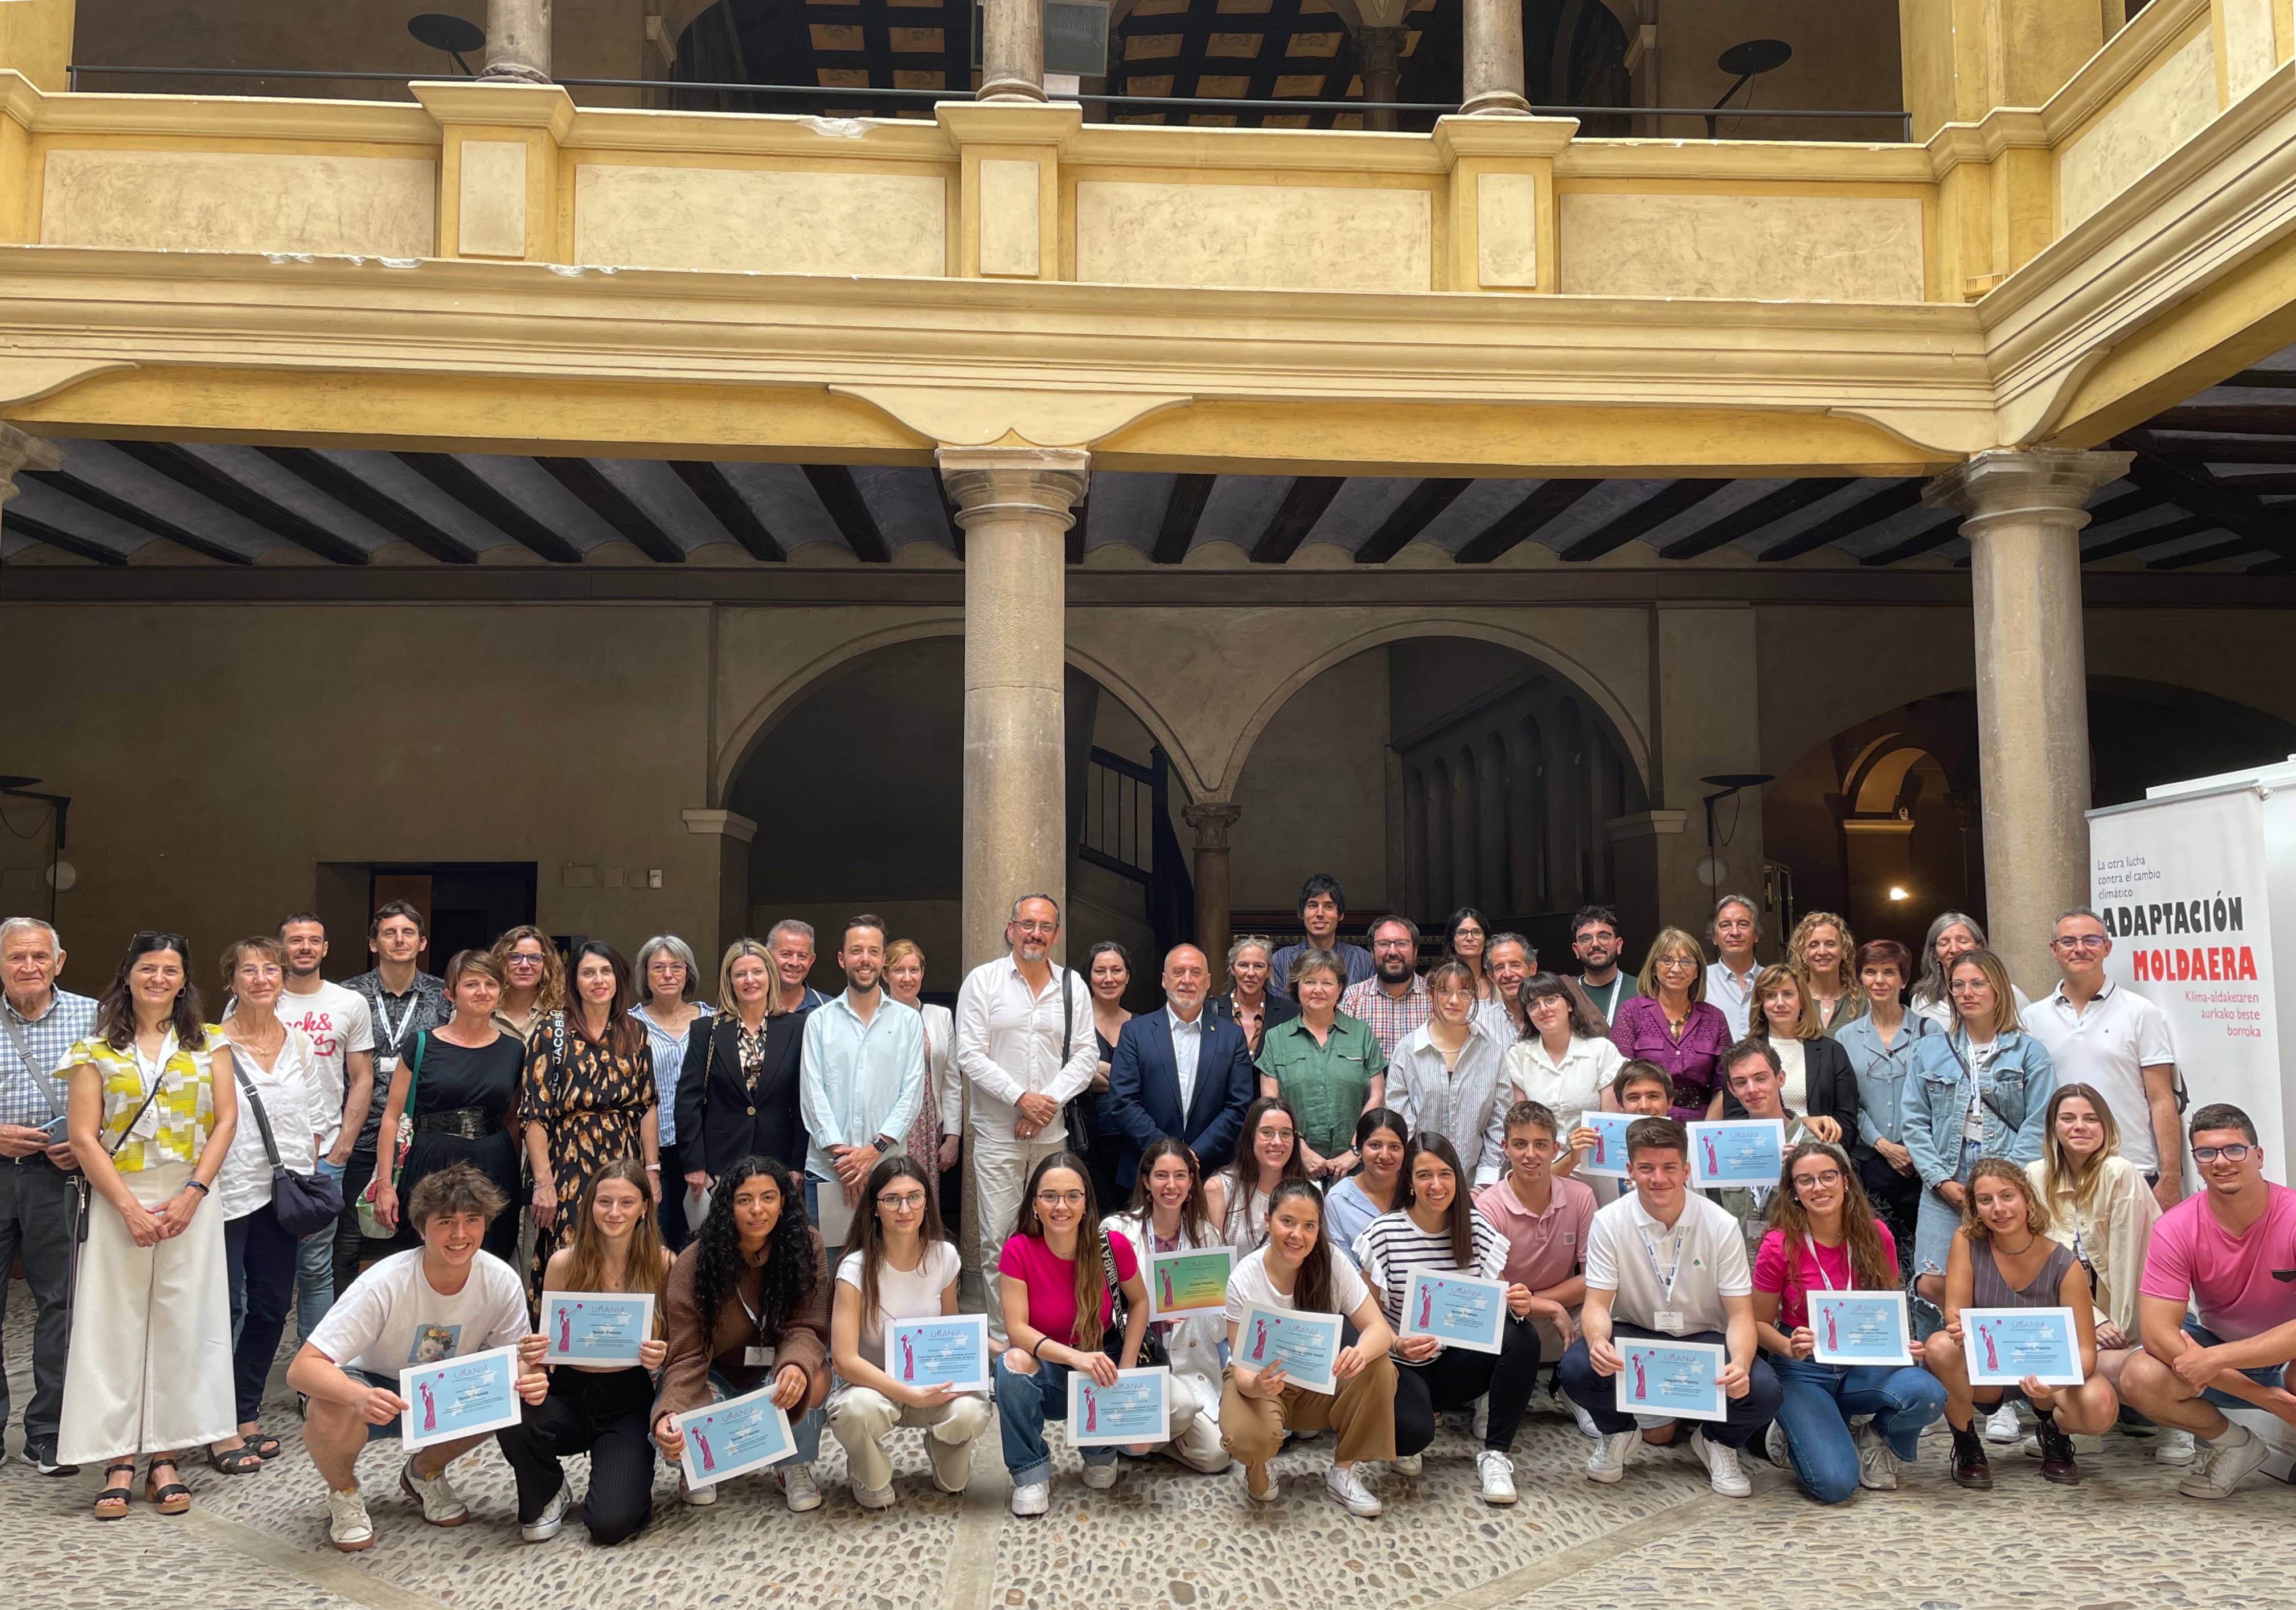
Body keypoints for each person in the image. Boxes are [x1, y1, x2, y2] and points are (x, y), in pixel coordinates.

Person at [58, 931, 240, 1517]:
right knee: (112, 1321)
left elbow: (226, 1120)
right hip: (120, 1195)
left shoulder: (210, 1042)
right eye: (148, 967)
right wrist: (128, 1207)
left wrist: (193, 1192)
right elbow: (84, 1135)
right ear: (128, 974)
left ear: (184, 979)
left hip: (191, 1194)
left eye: (170, 969)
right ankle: (115, 1456)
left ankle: (165, 1454)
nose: (159, 978)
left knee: (182, 1321)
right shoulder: (95, 1050)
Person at [289, 1162, 544, 1550]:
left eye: (472, 1220)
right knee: (328, 1408)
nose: (460, 1235)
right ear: (422, 1227)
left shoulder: (501, 1280)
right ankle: (344, 1493)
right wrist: (357, 1395)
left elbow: (518, 1358)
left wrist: (531, 1374)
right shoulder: (384, 1282)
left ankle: (424, 1472)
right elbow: (302, 1368)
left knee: (506, 1391)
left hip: (437, 1391)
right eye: (445, 1222)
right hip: (371, 1385)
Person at [1557, 1116, 1784, 1497]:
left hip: (1704, 1338)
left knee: (1764, 1390)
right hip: (1638, 1334)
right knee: (1577, 1366)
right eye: (1646, 1168)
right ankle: (1618, 1433)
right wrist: (1597, 1340)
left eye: (1668, 1168)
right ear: (1630, 1170)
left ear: (1687, 1170)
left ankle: (1717, 1442)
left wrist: (1741, 1364)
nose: (1658, 1178)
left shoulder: (1720, 1224)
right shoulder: (1609, 1221)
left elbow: (1742, 1316)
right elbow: (1597, 1304)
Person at [1750, 1140, 1944, 1501]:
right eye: (1805, 1181)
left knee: (1928, 1394)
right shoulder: (1778, 1244)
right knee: (1835, 1485)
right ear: (1793, 1192)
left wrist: (1900, 1343)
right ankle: (1798, 1426)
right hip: (1804, 1365)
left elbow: (1885, 1308)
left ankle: (1872, 1437)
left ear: (1846, 1182)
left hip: (1862, 1361)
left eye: (1827, 1177)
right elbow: (1757, 1324)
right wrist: (1787, 1347)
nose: (1818, 1187)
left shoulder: (1876, 1235)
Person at [2121, 1103, 2296, 1501]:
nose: (2221, 1162)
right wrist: (2262, 1396)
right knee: (2139, 1376)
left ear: (2259, 1155)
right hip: (2216, 1350)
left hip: (2285, 1357)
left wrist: (2217, 1360)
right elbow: (2158, 1334)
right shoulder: (2176, 1227)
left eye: (2235, 1150)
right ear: (2197, 1162)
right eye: (2207, 1153)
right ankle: (2236, 1446)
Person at [1355, 1133, 1540, 1505]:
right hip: (1401, 1364)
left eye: (1445, 1174)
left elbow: (1496, 1303)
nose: (1436, 1185)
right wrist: (1396, 1343)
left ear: (1458, 1177)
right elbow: (1364, 1317)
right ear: (1409, 1180)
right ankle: (1413, 1421)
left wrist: (1517, 1302)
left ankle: (1496, 1456)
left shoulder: (1477, 1230)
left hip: (1456, 1362)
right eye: (1424, 1175)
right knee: (1410, 1437)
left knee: (1523, 1335)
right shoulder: (1384, 1234)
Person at [497, 1158, 672, 1544]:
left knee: (610, 1525)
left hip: (630, 1402)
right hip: (569, 1395)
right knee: (509, 1401)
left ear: (645, 1207)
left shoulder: (663, 1263)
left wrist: (661, 1358)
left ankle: (626, 1479)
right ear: (589, 1205)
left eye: (627, 1202)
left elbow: (679, 1346)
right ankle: (548, 1490)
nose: (614, 1212)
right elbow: (542, 1352)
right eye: (604, 1201)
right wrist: (534, 1369)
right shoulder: (564, 1263)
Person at [1922, 1158, 2119, 1488]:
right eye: (1985, 1200)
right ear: (1975, 1208)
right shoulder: (1966, 1241)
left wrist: (2054, 1383)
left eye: (2007, 1196)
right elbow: (1955, 1311)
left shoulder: (2063, 1261)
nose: (1998, 1209)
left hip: (2043, 1376)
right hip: (1988, 1373)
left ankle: (2055, 1433)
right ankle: (1967, 1443)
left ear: (2027, 1198)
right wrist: (1956, 1326)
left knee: (2099, 1405)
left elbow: (2087, 1350)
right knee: (1939, 1346)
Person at [652, 1154, 832, 1513]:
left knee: (815, 1376)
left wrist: (795, 1365)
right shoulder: (694, 1261)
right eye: (744, 1200)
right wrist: (669, 1414)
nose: (757, 1210)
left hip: (775, 1367)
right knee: (676, 1420)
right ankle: (698, 1466)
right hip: (714, 1371)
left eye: (768, 1197)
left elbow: (807, 1326)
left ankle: (793, 1464)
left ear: (784, 1202)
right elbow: (686, 1353)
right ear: (727, 1207)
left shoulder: (807, 1247)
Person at [954, 894, 1096, 1347]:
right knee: (1000, 1242)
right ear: (1011, 928)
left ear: (1056, 934)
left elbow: (1086, 1054)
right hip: (998, 1137)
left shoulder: (1072, 987)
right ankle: (1008, 1346)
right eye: (1027, 924)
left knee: (1055, 1240)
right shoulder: (983, 982)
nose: (1036, 933)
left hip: (1052, 1137)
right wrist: (1019, 1098)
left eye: (1045, 926)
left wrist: (1045, 1103)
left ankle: (1050, 1340)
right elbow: (969, 1053)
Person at [210, 937, 326, 1474]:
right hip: (224, 1193)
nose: (261, 979)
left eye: (270, 969)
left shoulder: (300, 1043)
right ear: (231, 980)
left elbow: (314, 1118)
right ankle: (212, 1422)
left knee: (270, 1306)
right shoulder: (209, 1044)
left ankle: (243, 1411)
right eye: (249, 970)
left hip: (281, 1197)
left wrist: (308, 1179)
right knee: (220, 1310)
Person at [1220, 1178, 1400, 1515]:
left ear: (1319, 1230)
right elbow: (1240, 1364)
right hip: (1262, 1386)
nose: (1297, 1235)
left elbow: (1380, 1330)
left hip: (1318, 1382)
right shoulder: (1244, 1277)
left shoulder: (1332, 1262)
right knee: (1248, 1437)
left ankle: (1343, 1472)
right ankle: (1256, 1468)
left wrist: (1359, 1352)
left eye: (1309, 1226)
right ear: (1267, 1220)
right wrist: (1256, 1386)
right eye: (1287, 1222)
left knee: (1379, 1366)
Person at [827, 1152, 995, 1506]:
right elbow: (843, 1361)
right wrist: (909, 1394)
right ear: (874, 1207)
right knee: (853, 1413)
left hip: (932, 1384)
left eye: (914, 1197)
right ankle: (867, 1470)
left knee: (971, 1418)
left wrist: (1001, 1348)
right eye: (892, 1199)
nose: (905, 1209)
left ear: (926, 1202)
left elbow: (951, 1327)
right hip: (875, 1390)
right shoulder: (854, 1270)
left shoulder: (945, 1256)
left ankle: (941, 1445)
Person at [1904, 948, 2056, 1336]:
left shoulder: (2029, 1052)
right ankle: (1942, 1375)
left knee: (2002, 1280)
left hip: (2007, 1177)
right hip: (1946, 1176)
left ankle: (2000, 1383)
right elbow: (1915, 1121)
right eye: (1958, 986)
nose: (1967, 993)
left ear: (1998, 989)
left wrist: (2004, 1183)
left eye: (1977, 984)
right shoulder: (1929, 1050)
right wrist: (1939, 1179)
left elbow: (2039, 1122)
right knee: (1932, 1282)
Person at [992, 1152, 1150, 1515]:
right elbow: (1017, 1330)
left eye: (1072, 1196)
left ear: (1086, 1203)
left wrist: (1125, 1369)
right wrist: (1075, 1358)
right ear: (1034, 1204)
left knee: (1127, 1456)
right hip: (1051, 1367)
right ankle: (1030, 1473)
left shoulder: (1112, 1246)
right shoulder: (1018, 1249)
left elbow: (1139, 1303)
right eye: (1050, 1196)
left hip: (1103, 1363)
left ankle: (1099, 1451)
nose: (1061, 1206)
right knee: (1011, 1364)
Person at [0, 915, 95, 1477]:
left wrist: (86, 1144)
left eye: (39, 956)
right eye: (16, 957)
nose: (28, 966)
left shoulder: (94, 1015)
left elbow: (122, 1092)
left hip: (54, 1174)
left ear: (59, 961)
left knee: (60, 1303)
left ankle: (49, 1431)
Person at [2024, 1083, 2168, 1452]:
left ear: (2106, 1127)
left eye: (2091, 1119)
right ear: (2053, 1127)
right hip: (2072, 1312)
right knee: (2062, 1361)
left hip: (2131, 1311)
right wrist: (2091, 1320)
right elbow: (2036, 1264)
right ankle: (2079, 1424)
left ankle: (2174, 1423)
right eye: (2068, 1118)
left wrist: (2116, 1325)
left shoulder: (2121, 1173)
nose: (2079, 1127)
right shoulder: (2035, 1176)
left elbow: (2131, 1261)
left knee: (2128, 1365)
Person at [522, 942, 659, 1298]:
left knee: (624, 1249)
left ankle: (619, 1342)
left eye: (606, 971)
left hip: (623, 1159)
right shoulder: (551, 1033)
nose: (598, 980)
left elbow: (646, 1106)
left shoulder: (634, 1032)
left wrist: (653, 1171)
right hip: (568, 1162)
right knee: (570, 1251)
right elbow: (534, 1115)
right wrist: (543, 1183)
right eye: (588, 973)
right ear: (575, 981)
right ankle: (564, 1346)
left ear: (618, 978)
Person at [368, 950, 523, 1264]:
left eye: (490, 984)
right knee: (425, 1256)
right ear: (451, 994)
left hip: (494, 1162)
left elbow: (514, 1120)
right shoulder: (422, 1044)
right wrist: (384, 1184)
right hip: (430, 1161)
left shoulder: (514, 1049)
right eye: (471, 984)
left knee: (488, 1260)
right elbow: (391, 1118)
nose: (482, 992)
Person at [2026, 907, 2182, 1210]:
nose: (2079, 949)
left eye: (2091, 940)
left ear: (2107, 947)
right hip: (2059, 1173)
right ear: (2054, 950)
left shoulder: (2140, 1012)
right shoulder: (2032, 1018)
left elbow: (2161, 1098)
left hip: (2130, 1169)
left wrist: (2171, 1176)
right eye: (2068, 941)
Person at [271, 913, 375, 1338]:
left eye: (314, 940)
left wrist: (343, 1148)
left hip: (323, 1156)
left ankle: (312, 1371)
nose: (305, 948)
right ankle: (244, 1373)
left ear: (325, 948)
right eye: (296, 941)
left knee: (316, 1267)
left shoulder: (348, 1003)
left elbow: (362, 1078)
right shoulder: (259, 998)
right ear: (282, 948)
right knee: (261, 1267)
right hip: (264, 1157)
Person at [341, 903, 449, 1303]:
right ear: (374, 943)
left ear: (422, 942)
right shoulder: (349, 996)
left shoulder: (444, 996)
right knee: (349, 1245)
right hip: (358, 1135)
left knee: (415, 1240)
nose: (399, 940)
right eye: (389, 933)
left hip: (417, 1141)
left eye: (408, 933)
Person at [1105, 1139, 1234, 1473]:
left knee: (1216, 1458)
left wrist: (1206, 1304)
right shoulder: (1116, 1230)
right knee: (1182, 1409)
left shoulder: (1206, 1236)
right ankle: (1143, 1440)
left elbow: (1221, 1329)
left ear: (1192, 1184)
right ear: (1146, 1181)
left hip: (1188, 1364)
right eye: (1161, 1175)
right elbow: (1101, 1309)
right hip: (1137, 1358)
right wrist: (1152, 1311)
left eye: (1181, 1176)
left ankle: (1147, 1442)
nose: (1171, 1186)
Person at [798, 916, 924, 1241]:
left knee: (887, 1268)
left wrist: (872, 1151)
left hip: (888, 1171)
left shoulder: (909, 1021)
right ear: (842, 960)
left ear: (882, 961)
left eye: (873, 951)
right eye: (856, 951)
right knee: (828, 1273)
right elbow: (812, 1095)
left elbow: (911, 1096)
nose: (864, 959)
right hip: (829, 1173)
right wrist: (845, 1160)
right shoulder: (818, 1021)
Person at [1475, 1101, 1597, 1432]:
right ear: (1505, 1148)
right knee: (1488, 1315)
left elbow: (1592, 1280)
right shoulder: (1489, 1207)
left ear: (1556, 1149)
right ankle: (1491, 1396)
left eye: (1541, 1145)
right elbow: (1493, 1290)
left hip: (1560, 1306)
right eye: (1520, 1144)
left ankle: (1576, 1388)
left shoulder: (1581, 1196)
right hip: (1508, 1313)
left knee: (1603, 1312)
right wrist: (1541, 1306)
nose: (1531, 1154)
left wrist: (1546, 1303)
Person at [1106, 942, 1256, 1193]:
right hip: (1145, 1172)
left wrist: (1194, 1154)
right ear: (1164, 980)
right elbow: (1123, 1102)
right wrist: (1168, 1154)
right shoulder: (1135, 1032)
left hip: (1210, 1174)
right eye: (1178, 972)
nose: (1187, 980)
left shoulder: (1231, 1036)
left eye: (1195, 973)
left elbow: (1239, 1106)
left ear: (1208, 982)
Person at [679, 939, 814, 1209]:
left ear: (770, 977)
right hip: (719, 1165)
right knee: (722, 1244)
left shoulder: (798, 1027)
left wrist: (798, 1163)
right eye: (740, 974)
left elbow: (804, 1101)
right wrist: (695, 1164)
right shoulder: (707, 1030)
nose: (750, 980)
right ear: (729, 982)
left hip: (778, 1163)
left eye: (757, 972)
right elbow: (687, 1102)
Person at [1835, 939, 1933, 1269]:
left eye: (1889, 972)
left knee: (1926, 1257)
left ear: (1904, 980)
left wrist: (1912, 1149)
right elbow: (1848, 1103)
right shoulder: (1846, 1037)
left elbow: (1938, 1099)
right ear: (1860, 978)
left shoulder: (1929, 1031)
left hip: (1922, 1163)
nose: (1880, 981)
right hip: (1870, 1163)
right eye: (1870, 972)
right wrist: (1883, 1145)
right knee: (1877, 1257)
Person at [1707, 1040, 1843, 1258]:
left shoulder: (1820, 1147)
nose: (1752, 1090)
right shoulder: (1720, 1148)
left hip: (1801, 1268)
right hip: (1741, 1270)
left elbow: (1846, 1220)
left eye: (1761, 1078)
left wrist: (1801, 1175)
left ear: (1780, 1079)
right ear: (1731, 1089)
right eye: (1741, 1083)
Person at [1258, 948, 1386, 1181]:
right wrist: (1302, 1152)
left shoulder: (1362, 1033)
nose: (1318, 990)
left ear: (1340, 989)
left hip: (1358, 1171)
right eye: (1309, 982)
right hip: (1295, 1169)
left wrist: (1355, 1152)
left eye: (1327, 983)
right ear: (1297, 987)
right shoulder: (1276, 1039)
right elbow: (1271, 1106)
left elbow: (1377, 1097)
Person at [1491, 971, 1621, 1183]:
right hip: (1540, 1173)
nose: (1543, 1009)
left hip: (1595, 1170)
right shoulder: (1519, 1056)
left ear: (1569, 1004)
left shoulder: (1602, 1051)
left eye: (1551, 1000)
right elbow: (1521, 1127)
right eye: (1533, 1005)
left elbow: (1610, 1126)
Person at [1387, 959, 1507, 1185]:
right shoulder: (1407, 1049)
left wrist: (1483, 1185)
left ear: (1473, 996)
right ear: (1430, 993)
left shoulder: (1491, 1052)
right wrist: (1416, 1177)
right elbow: (1401, 1123)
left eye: (1463, 992)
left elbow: (1498, 1123)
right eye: (1445, 991)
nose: (1454, 1000)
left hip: (1474, 1184)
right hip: (1418, 1182)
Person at [632, 934, 713, 1252]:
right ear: (645, 975)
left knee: (702, 1242)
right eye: (658, 968)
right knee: (656, 1240)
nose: (668, 975)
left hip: (704, 1148)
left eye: (676, 967)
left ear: (688, 974)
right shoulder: (628, 1023)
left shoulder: (713, 1019)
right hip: (652, 1151)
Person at [1609, 930, 1732, 1121]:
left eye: (1686, 962)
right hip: (1645, 1120)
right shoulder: (1631, 1012)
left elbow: (1723, 1085)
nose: (1676, 969)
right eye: (1667, 960)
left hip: (1700, 1120)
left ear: (1697, 971)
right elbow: (1620, 1079)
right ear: (1653, 968)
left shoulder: (1715, 1018)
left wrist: (1705, 1132)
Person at [1730, 965, 1859, 1135]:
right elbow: (1736, 1120)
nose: (1780, 1003)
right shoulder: (1741, 1055)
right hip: (1764, 1154)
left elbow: (1847, 1120)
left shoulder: (1833, 1052)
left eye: (1788, 994)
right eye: (1770, 995)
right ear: (1761, 1005)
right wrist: (1803, 1124)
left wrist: (1816, 1148)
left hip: (1823, 1152)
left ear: (1802, 1001)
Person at [884, 940, 961, 1206]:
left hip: (928, 1125)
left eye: (914, 970)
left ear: (922, 973)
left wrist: (952, 1136)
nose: (907, 978)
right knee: (890, 1194)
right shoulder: (875, 1017)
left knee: (923, 1199)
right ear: (884, 975)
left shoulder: (940, 1017)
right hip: (887, 1126)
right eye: (898, 970)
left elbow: (951, 1080)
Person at [1078, 940, 1135, 1213]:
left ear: (1128, 976)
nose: (1109, 979)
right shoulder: (1074, 1023)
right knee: (1097, 1222)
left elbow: (1151, 1079)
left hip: (1133, 1144)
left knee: (1132, 1220)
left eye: (1117, 970)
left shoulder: (1144, 1026)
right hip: (1087, 1142)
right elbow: (1073, 1073)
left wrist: (1097, 1068)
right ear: (1089, 977)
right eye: (1100, 971)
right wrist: (1127, 1077)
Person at [1215, 1094, 1312, 1253]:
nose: (1277, 1142)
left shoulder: (1311, 1192)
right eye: (1267, 1132)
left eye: (1286, 1133)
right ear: (1250, 1136)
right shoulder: (1220, 1189)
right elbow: (1212, 1264)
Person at [1910, 911, 2031, 1030]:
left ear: (1979, 946)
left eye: (1963, 941)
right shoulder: (1922, 1002)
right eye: (1944, 943)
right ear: (1935, 954)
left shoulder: (2010, 994)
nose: (1954, 949)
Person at [1266, 874, 1374, 1003]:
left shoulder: (1363, 959)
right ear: (1301, 913)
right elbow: (1280, 1013)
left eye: (1329, 906)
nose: (1320, 914)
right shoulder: (1281, 960)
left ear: (1340, 915)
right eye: (1313, 905)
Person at [1339, 916, 1430, 1060]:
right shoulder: (1352, 998)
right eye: (1383, 944)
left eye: (1401, 944)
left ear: (1415, 950)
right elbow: (1343, 1058)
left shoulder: (1435, 997)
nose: (1393, 952)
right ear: (1372, 952)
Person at [1207, 934, 1298, 1058]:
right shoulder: (1209, 1010)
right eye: (1243, 965)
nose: (1250, 973)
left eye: (1259, 966)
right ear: (1232, 968)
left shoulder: (1289, 1012)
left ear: (1269, 971)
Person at [1786, 911, 1868, 1036]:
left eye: (1830, 944)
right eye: (1814, 945)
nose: (1822, 952)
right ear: (1803, 953)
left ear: (1844, 951)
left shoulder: (1862, 1002)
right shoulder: (1792, 1001)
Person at [490, 925, 564, 1046]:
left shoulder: (562, 1013)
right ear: (501, 961)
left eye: (534, 958)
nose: (525, 965)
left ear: (547, 965)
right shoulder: (481, 1011)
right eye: (515, 957)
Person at [1704, 895, 1764, 1040]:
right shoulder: (1700, 980)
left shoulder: (1774, 981)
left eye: (1743, 924)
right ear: (1714, 937)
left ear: (1756, 934)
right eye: (1725, 925)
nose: (1735, 932)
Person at [1570, 906, 1637, 1026]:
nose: (1595, 944)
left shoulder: (1642, 991)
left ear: (1618, 945)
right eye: (1586, 939)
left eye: (1604, 936)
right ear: (1576, 950)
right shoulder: (1567, 993)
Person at [1479, 933, 1536, 1044]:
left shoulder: (1550, 1015)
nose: (1508, 974)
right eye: (1500, 968)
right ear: (1492, 977)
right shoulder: (1481, 1025)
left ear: (1533, 969)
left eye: (1515, 965)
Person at [1442, 908, 1497, 1007]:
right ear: (1452, 941)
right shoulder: (1440, 981)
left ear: (1486, 940)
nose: (1470, 938)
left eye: (1477, 932)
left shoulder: (1496, 981)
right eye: (1462, 933)